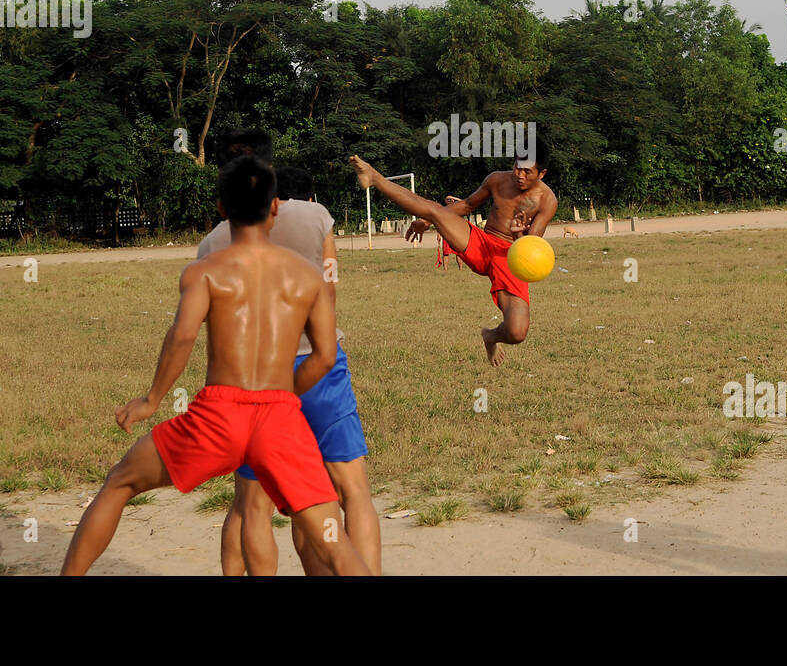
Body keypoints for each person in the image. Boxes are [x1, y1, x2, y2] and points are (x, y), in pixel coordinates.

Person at [61, 156, 371, 576]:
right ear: (275, 206)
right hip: (279, 417)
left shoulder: (204, 272)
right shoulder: (307, 277)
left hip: (217, 415)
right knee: (332, 538)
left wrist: (152, 399)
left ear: (222, 210)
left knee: (121, 482)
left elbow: (183, 335)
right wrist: (285, 395)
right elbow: (324, 356)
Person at [205, 164, 381, 576]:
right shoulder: (316, 215)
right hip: (318, 363)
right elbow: (330, 280)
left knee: (251, 504)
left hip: (255, 377)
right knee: (350, 489)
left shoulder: (214, 238)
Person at [350, 136, 556, 367]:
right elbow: (467, 205)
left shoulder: (547, 200)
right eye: (517, 166)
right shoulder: (497, 180)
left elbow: (531, 247)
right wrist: (428, 221)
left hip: (512, 258)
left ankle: (489, 337)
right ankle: (374, 176)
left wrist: (518, 235)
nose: (519, 174)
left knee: (517, 332)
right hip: (482, 242)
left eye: (527, 171)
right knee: (434, 210)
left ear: (542, 173)